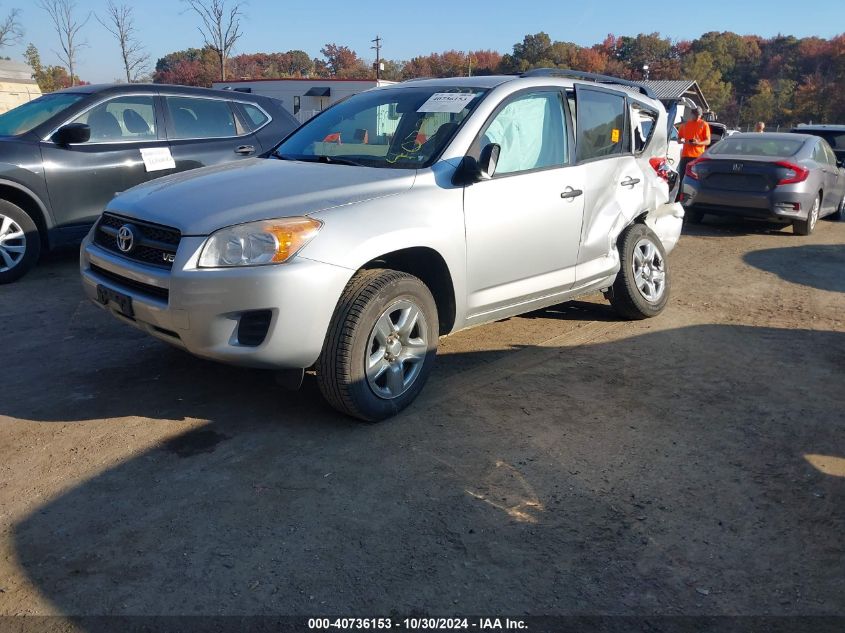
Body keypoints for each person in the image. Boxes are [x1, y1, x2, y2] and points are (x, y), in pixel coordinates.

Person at [676, 107, 711, 184]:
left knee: (695, 178)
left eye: (699, 115)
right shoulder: (685, 125)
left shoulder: (704, 125)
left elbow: (708, 141)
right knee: (682, 177)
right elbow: (679, 140)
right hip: (685, 155)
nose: (697, 117)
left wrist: (698, 143)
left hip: (698, 156)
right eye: (696, 115)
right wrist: (684, 141)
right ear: (691, 114)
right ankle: (680, 194)